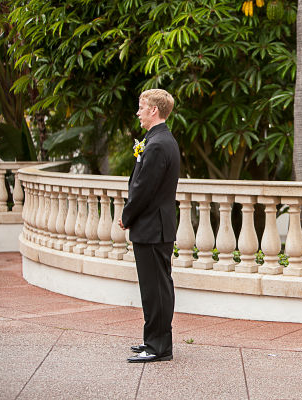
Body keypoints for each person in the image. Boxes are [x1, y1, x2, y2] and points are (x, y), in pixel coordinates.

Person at [119, 89, 180, 363]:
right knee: (154, 287)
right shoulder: (158, 139)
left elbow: (144, 189)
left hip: (152, 228)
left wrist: (127, 216)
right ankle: (153, 340)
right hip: (155, 227)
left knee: (156, 288)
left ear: (154, 110)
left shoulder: (157, 144)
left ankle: (158, 347)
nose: (138, 112)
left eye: (142, 107)